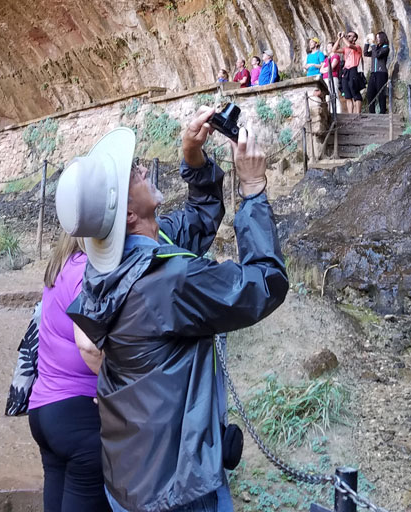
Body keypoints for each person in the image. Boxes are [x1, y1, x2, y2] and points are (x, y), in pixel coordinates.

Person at [58, 110, 288, 512]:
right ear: (129, 214)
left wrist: (193, 157)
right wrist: (252, 189)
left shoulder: (113, 265)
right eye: (135, 176)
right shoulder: (168, 281)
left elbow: (199, 219)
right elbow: (266, 284)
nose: (144, 171)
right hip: (177, 489)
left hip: (132, 475)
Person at [28, 235, 108, 512]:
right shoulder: (86, 270)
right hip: (78, 414)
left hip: (45, 410)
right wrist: (117, 386)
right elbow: (89, 344)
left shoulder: (62, 264)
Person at [336, 31, 365, 114]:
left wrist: (343, 37)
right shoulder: (345, 49)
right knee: (347, 95)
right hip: (346, 71)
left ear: (354, 38)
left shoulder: (358, 47)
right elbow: (334, 50)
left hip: (353, 70)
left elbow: (349, 45)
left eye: (350, 36)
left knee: (355, 91)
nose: (348, 37)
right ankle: (350, 115)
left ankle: (357, 114)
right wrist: (338, 39)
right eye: (347, 36)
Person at [364, 30, 391, 114]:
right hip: (373, 73)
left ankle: (382, 112)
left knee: (380, 93)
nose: (377, 39)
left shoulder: (385, 48)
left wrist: (372, 45)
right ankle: (372, 112)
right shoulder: (376, 48)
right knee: (370, 93)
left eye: (378, 37)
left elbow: (378, 55)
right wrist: (366, 43)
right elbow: (366, 53)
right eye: (376, 37)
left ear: (383, 38)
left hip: (381, 73)